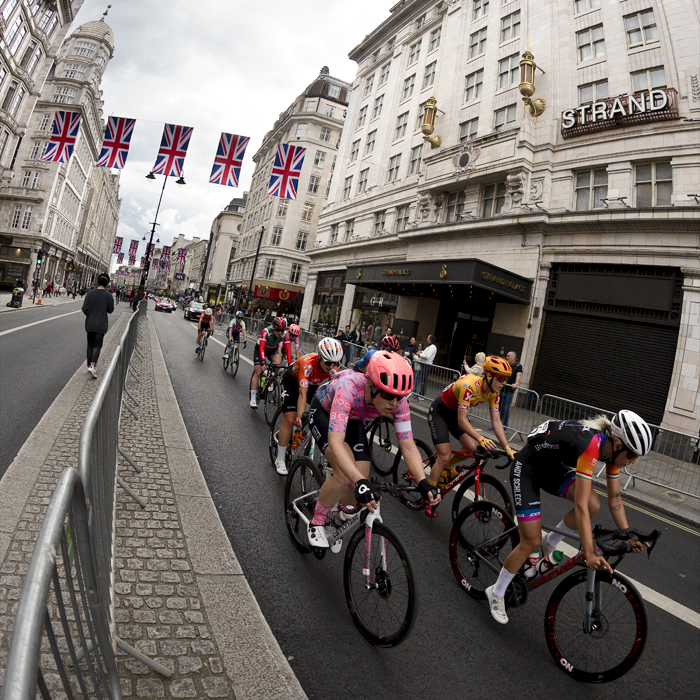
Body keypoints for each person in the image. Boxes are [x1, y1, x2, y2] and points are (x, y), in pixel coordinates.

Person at [486, 410, 654, 625]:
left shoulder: (612, 453)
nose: (632, 461)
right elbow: (580, 507)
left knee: (595, 503)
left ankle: (549, 544)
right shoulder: (591, 445)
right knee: (531, 541)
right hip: (528, 467)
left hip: (551, 468)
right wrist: (590, 553)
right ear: (618, 445)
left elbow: (614, 498)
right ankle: (497, 592)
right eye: (632, 455)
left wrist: (628, 535)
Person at [307, 352, 441, 549]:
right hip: (324, 412)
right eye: (388, 396)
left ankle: (337, 514)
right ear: (371, 386)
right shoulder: (349, 388)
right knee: (345, 475)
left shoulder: (398, 402)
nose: (394, 404)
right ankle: (317, 520)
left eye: (399, 397)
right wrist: (359, 482)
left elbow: (408, 445)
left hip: (354, 419)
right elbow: (336, 443)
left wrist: (423, 481)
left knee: (361, 479)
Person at [427, 355, 517, 489]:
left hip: (455, 415)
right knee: (444, 456)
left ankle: (444, 470)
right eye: (501, 378)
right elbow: (462, 420)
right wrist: (482, 438)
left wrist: (507, 447)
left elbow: (497, 421)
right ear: (489, 377)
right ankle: (428, 496)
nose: (504, 383)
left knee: (472, 448)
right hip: (440, 412)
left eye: (506, 379)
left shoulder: (494, 392)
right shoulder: (469, 386)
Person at [274, 337, 343, 474]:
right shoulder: (308, 363)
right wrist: (299, 416)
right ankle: (280, 459)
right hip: (292, 382)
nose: (331, 366)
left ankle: (301, 434)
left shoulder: (332, 368)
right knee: (290, 419)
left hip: (311, 384)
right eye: (328, 362)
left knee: (323, 411)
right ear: (320, 357)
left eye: (335, 363)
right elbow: (302, 394)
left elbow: (334, 393)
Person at [250, 316, 288, 408]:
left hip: (272, 350)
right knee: (258, 372)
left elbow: (288, 350)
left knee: (278, 363)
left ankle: (271, 380)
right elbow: (262, 348)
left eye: (282, 330)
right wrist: (263, 361)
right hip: (260, 350)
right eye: (278, 330)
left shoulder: (284, 334)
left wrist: (289, 363)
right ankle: (253, 398)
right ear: (274, 328)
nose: (280, 332)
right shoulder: (266, 331)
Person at [81, 272, 114, 379]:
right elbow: (110, 310)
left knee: (90, 344)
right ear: (107, 284)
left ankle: (88, 364)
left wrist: (90, 315)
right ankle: (92, 365)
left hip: (90, 323)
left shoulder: (90, 293)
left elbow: (84, 308)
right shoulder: (108, 295)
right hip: (101, 324)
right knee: (97, 345)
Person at [499, 351, 523, 428]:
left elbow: (518, 375)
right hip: (502, 389)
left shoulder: (518, 366)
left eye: (508, 356)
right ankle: (497, 425)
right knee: (499, 408)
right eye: (507, 356)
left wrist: (516, 384)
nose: (507, 357)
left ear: (513, 357)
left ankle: (504, 426)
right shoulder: (506, 364)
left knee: (505, 409)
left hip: (509, 391)